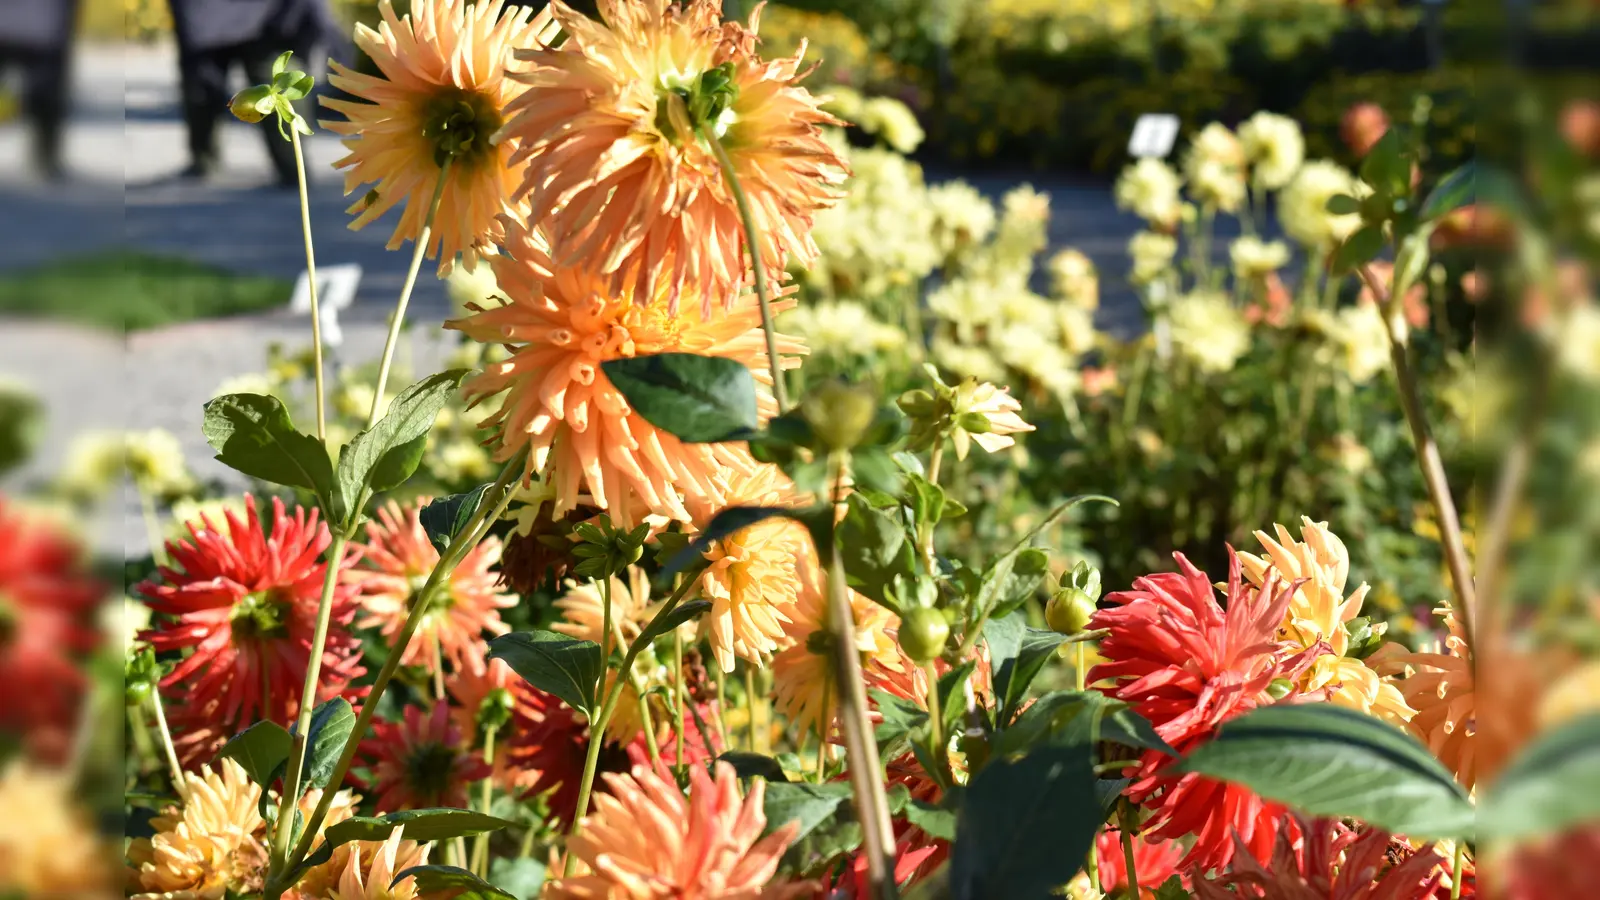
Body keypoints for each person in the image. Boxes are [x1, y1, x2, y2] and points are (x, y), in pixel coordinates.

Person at [167, 0, 341, 185]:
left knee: (276, 85)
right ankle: (204, 159)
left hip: (264, 18)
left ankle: (294, 169)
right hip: (220, 17)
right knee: (202, 85)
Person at [0, 0, 81, 180]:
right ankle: (45, 155)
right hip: (44, 29)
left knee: (46, 95)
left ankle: (45, 155)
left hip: (43, 30)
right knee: (47, 94)